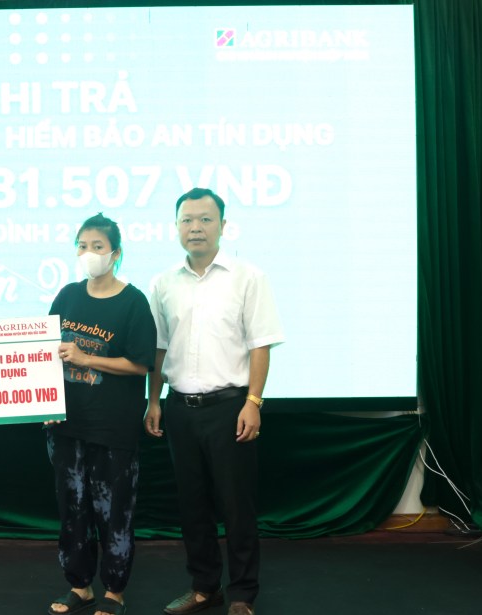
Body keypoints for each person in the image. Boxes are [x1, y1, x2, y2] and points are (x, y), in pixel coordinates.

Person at [145, 188, 284, 615]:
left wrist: (254, 401)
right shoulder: (163, 283)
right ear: (176, 227)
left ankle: (242, 594)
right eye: (187, 220)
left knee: (237, 506)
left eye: (205, 220)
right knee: (192, 506)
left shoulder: (248, 277)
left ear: (223, 226)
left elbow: (261, 345)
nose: (196, 228)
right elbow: (158, 349)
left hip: (230, 409)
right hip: (179, 409)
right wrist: (153, 401)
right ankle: (205, 587)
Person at [45, 213, 157, 615]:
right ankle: (80, 586)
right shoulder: (67, 296)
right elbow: (45, 354)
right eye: (82, 246)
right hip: (66, 425)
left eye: (97, 246)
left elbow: (140, 364)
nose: (89, 253)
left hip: (113, 427)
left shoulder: (133, 302)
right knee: (72, 509)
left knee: (114, 511)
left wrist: (88, 358)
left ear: (116, 253)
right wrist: (44, 402)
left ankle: (114, 592)